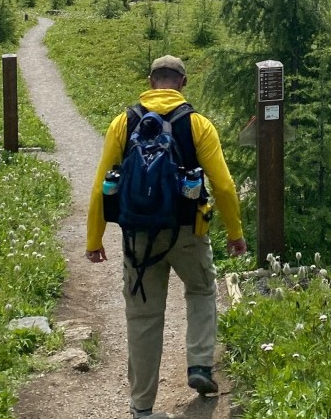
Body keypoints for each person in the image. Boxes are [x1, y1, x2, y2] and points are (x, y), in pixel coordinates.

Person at [86, 55, 248, 419]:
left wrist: (94, 240)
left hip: (138, 238)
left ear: (150, 80)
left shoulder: (123, 123)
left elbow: (100, 187)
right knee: (202, 290)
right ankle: (200, 366)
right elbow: (223, 185)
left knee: (143, 317)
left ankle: (142, 408)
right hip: (189, 230)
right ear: (183, 82)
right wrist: (235, 234)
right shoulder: (197, 124)